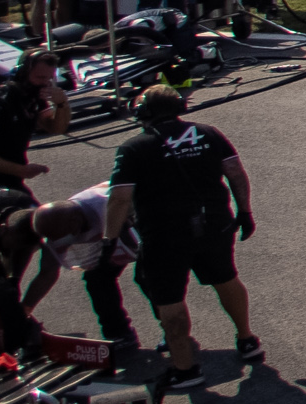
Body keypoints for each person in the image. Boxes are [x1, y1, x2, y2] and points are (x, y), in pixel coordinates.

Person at [109, 82, 266, 382]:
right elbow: (236, 172)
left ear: (143, 112)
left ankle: (185, 368)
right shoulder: (209, 133)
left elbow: (119, 199)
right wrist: (245, 211)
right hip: (214, 224)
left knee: (169, 298)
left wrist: (109, 238)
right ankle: (246, 339)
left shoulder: (133, 148)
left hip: (164, 234)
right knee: (226, 278)